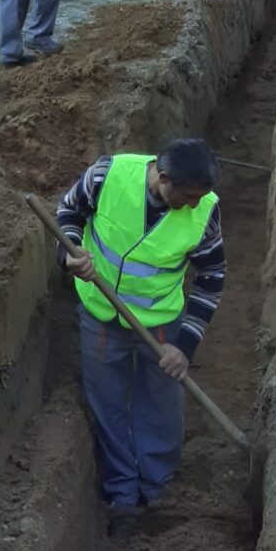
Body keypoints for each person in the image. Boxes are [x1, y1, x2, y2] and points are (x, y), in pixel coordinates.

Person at [56, 140, 226, 517]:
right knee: (108, 403)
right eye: (188, 195)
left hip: (160, 322)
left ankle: (155, 486)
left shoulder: (205, 211)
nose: (195, 204)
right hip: (100, 315)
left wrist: (185, 346)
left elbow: (212, 275)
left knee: (162, 406)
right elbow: (68, 210)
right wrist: (68, 252)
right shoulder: (107, 175)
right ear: (163, 178)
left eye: (201, 196)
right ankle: (122, 492)